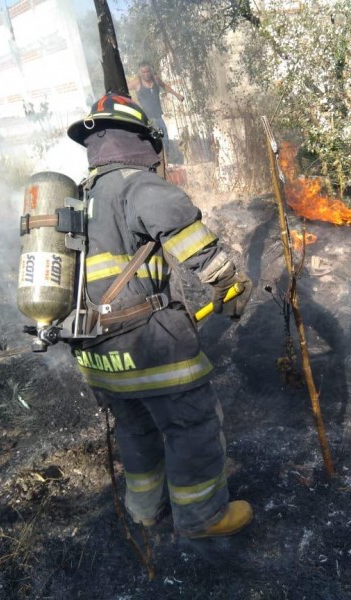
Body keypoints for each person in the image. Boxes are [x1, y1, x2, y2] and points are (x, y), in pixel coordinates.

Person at [66, 93, 253, 538]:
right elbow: (188, 239)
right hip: (146, 342)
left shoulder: (77, 197)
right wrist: (228, 285)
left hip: (95, 350)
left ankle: (145, 508)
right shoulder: (136, 185)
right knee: (192, 425)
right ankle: (203, 517)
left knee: (136, 428)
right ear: (141, 140)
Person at [130, 61, 184, 144]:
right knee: (149, 140)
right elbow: (122, 88)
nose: (146, 74)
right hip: (146, 119)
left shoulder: (155, 79)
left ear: (150, 71)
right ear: (140, 73)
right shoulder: (136, 83)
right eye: (143, 72)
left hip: (158, 116)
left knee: (165, 138)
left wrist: (177, 95)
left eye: (147, 71)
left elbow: (165, 86)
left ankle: (167, 156)